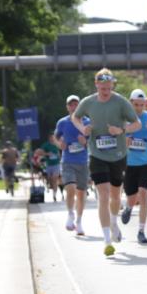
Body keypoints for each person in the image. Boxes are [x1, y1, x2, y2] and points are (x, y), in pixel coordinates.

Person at [72, 70, 141, 256]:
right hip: (96, 154)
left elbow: (137, 124)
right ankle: (107, 240)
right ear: (96, 85)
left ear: (113, 85)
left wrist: (122, 129)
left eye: (108, 88)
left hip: (118, 155)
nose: (105, 91)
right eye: (102, 88)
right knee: (103, 194)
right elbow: (75, 117)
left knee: (116, 196)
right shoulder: (88, 102)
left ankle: (113, 222)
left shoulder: (120, 102)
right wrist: (83, 128)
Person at [121, 89, 147, 243]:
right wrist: (124, 142)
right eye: (136, 105)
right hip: (130, 164)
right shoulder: (124, 120)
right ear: (130, 103)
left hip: (146, 162)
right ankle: (128, 208)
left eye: (142, 105)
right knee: (132, 196)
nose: (139, 108)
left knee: (143, 193)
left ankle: (141, 230)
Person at [56, 95, 90, 234]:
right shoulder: (62, 122)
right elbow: (56, 137)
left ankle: (79, 222)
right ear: (67, 107)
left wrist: (85, 142)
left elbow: (93, 142)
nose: (74, 107)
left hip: (83, 161)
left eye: (76, 104)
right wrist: (60, 144)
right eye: (71, 104)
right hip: (68, 161)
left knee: (81, 194)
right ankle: (70, 213)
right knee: (70, 188)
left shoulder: (87, 122)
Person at [40, 134, 62, 201]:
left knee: (54, 178)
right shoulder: (46, 145)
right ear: (49, 138)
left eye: (53, 137)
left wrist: (59, 155)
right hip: (49, 164)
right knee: (50, 179)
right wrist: (47, 154)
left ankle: (54, 195)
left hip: (57, 164)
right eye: (51, 137)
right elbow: (41, 152)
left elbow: (61, 151)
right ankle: (52, 186)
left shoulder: (57, 144)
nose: (52, 138)